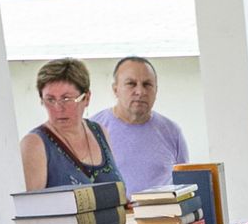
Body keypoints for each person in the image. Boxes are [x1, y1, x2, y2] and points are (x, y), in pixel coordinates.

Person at [90, 57, 190, 194]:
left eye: (147, 84)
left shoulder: (172, 132)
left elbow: (185, 187)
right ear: (115, 90)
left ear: (156, 90)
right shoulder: (92, 131)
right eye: (131, 84)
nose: (140, 91)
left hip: (164, 214)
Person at [19, 58, 121, 191]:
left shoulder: (99, 132)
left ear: (86, 98)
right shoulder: (34, 144)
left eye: (66, 99)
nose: (58, 107)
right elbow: (29, 206)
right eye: (50, 99)